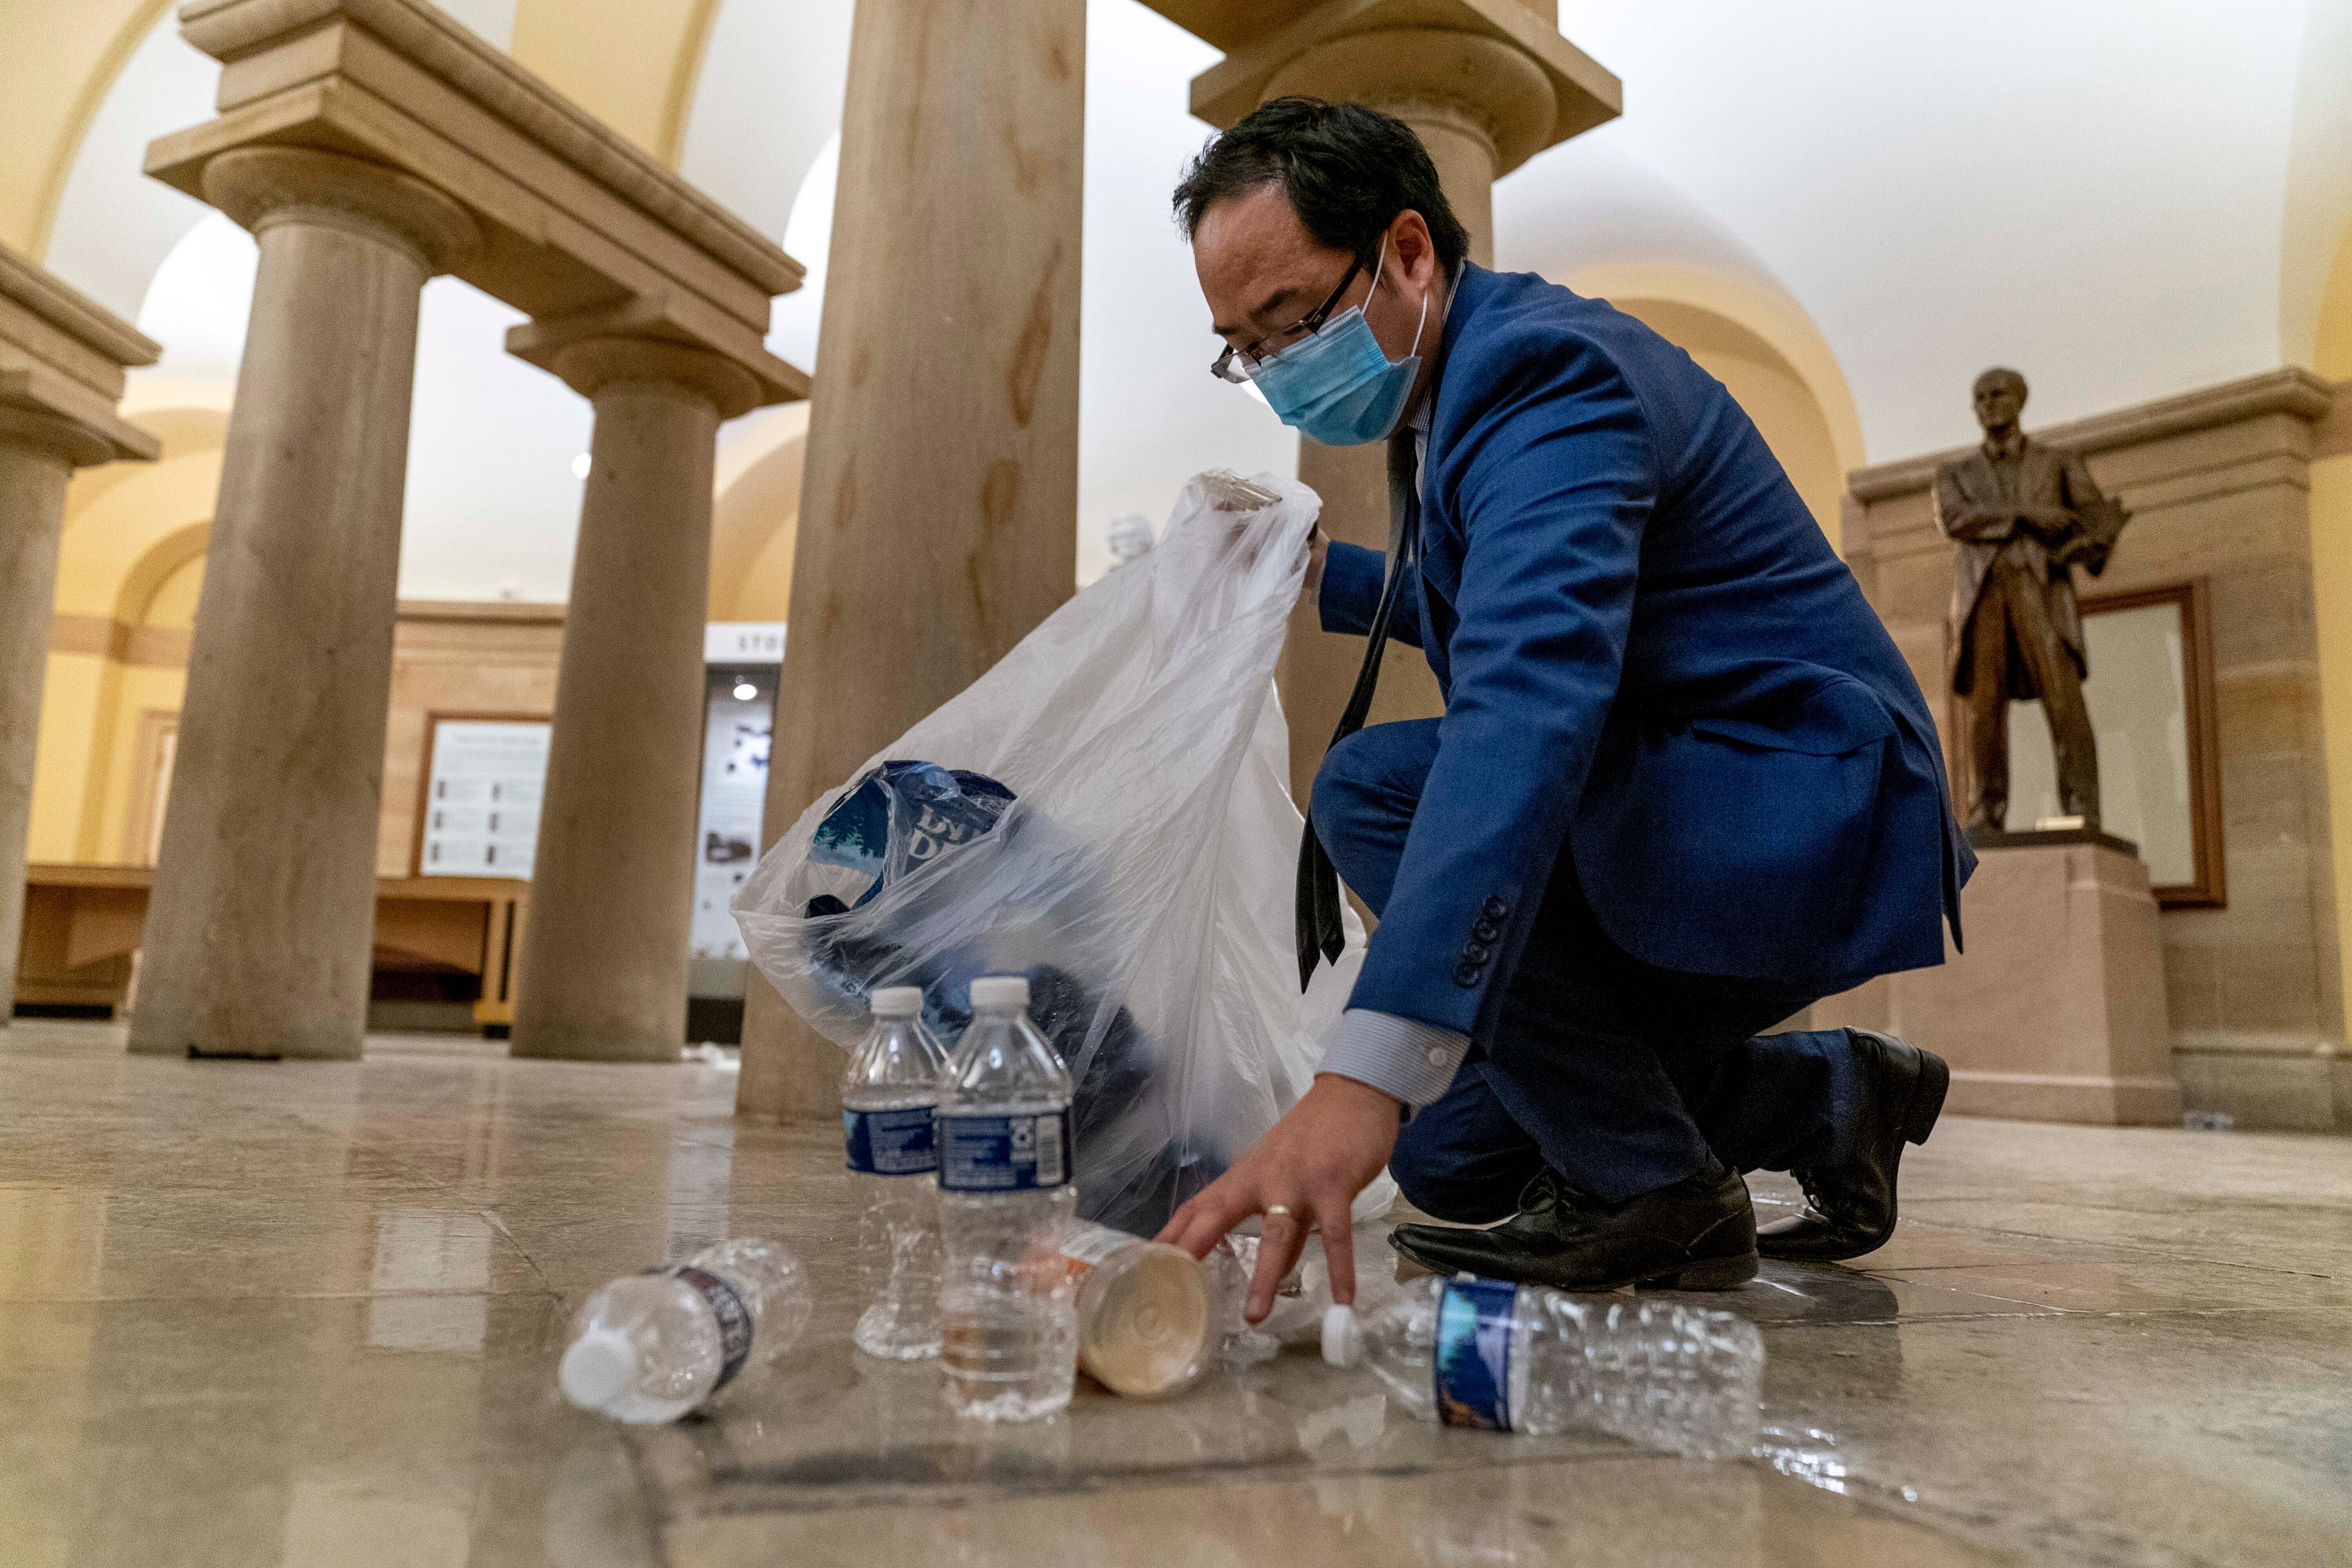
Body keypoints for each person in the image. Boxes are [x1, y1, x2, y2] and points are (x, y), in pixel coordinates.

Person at [1151, 98, 1974, 1326]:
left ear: (1410, 252)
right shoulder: (1449, 388)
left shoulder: (1541, 376)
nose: (1274, 372)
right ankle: (1827, 1102)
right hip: (1700, 793)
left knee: (1372, 787)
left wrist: (1358, 1070)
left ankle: (1665, 1191)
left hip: (1793, 802)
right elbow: (1526, 614)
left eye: (1292, 323)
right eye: (1241, 347)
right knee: (1453, 1155)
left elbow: (1527, 703)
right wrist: (1334, 578)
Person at [1936, 367, 2124, 834]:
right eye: (1979, 398)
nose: (1988, 404)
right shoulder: (1954, 474)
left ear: (2019, 399)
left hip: (2041, 588)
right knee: (1985, 708)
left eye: (1997, 394)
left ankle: (2083, 808)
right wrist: (2028, 514)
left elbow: (2090, 520)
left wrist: (2096, 537)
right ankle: (1987, 810)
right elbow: (1957, 518)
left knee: (2065, 699)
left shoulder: (2059, 461)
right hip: (1985, 595)